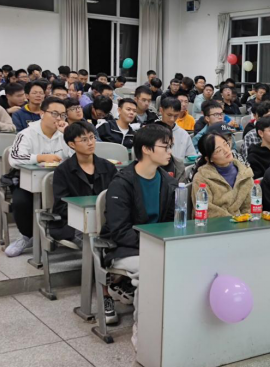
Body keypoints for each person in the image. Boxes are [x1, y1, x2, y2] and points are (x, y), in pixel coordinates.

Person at [103, 124, 178, 345]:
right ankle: (143, 332)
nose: (169, 152)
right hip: (124, 248)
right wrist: (153, 246)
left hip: (156, 245)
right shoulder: (122, 183)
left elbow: (169, 223)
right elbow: (119, 230)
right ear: (146, 149)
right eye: (165, 147)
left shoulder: (168, 182)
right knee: (152, 269)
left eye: (170, 147)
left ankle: (171, 325)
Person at [6, 97, 70, 257]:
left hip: (61, 183)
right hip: (29, 182)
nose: (59, 118)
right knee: (20, 202)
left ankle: (65, 235)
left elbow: (82, 157)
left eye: (63, 115)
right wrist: (40, 157)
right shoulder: (27, 134)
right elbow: (14, 158)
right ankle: (26, 236)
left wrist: (69, 136)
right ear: (42, 113)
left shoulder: (66, 134)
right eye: (54, 113)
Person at [50, 121, 117, 244]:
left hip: (105, 219)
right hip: (73, 223)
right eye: (84, 140)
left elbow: (117, 197)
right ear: (72, 144)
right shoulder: (63, 171)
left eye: (92, 137)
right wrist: (87, 214)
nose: (90, 143)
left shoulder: (108, 167)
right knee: (93, 243)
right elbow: (61, 206)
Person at [192, 132, 254, 218]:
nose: (226, 150)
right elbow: (207, 210)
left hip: (243, 223)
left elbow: (249, 207)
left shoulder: (244, 173)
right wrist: (234, 221)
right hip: (216, 224)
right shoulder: (201, 178)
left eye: (225, 144)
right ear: (209, 159)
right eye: (218, 150)